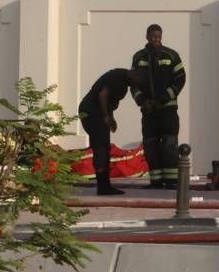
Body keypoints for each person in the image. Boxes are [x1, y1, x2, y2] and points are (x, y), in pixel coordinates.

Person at [131, 24, 186, 189]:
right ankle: (155, 180)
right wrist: (142, 101)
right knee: (150, 144)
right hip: (148, 110)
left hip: (168, 109)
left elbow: (180, 79)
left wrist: (163, 98)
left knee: (169, 143)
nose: (156, 39)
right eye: (153, 36)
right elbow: (133, 82)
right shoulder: (138, 57)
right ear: (147, 37)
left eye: (158, 37)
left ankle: (171, 181)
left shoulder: (171, 55)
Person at [79, 65, 145, 196]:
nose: (138, 85)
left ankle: (105, 185)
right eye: (139, 81)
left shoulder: (123, 82)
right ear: (134, 74)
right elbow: (102, 95)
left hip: (95, 113)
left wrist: (111, 118)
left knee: (103, 147)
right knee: (101, 147)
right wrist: (106, 116)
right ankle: (103, 186)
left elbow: (109, 101)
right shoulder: (118, 77)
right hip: (92, 113)